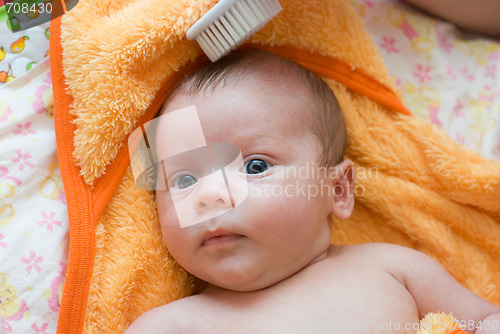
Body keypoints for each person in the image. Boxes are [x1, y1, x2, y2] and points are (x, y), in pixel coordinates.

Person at [125, 50, 500, 333]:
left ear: (337, 189)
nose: (210, 198)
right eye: (184, 181)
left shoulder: (391, 268)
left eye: (255, 166)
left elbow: (486, 320)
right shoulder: (170, 326)